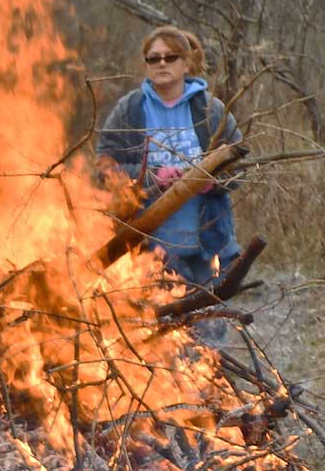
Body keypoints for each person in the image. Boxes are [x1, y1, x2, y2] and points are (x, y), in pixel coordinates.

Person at [97, 25, 242, 286]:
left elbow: (239, 166)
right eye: (154, 58)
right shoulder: (129, 110)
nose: (161, 63)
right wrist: (151, 177)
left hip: (209, 245)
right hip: (149, 248)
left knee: (211, 322)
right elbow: (105, 167)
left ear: (186, 63)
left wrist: (211, 179)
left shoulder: (211, 110)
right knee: (161, 323)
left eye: (171, 57)